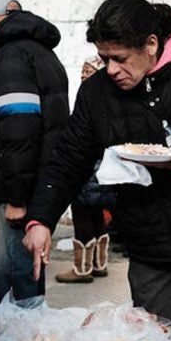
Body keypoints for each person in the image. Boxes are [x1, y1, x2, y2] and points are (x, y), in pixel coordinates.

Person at [22, 0, 171, 338]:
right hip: (149, 244)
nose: (111, 70)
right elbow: (67, 158)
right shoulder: (96, 94)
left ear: (151, 44)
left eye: (119, 59)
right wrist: (41, 218)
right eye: (104, 58)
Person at [0, 0, 70, 301]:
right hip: (39, 177)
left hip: (19, 186)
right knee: (23, 272)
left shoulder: (11, 55)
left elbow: (19, 128)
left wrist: (16, 196)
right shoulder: (40, 51)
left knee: (16, 277)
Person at [55, 55, 114, 284]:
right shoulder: (107, 99)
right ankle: (100, 264)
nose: (83, 75)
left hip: (87, 168)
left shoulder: (92, 100)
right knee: (97, 213)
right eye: (82, 71)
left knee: (81, 213)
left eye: (89, 72)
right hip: (101, 169)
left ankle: (82, 269)